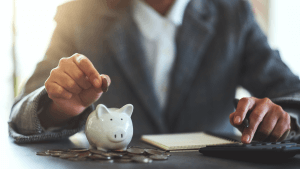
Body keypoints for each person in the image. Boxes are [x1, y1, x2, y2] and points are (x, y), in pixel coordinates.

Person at [9, 0, 300, 144]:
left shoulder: (232, 12)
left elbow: (292, 94)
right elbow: (22, 113)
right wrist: (58, 108)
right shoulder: (80, 14)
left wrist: (281, 119)